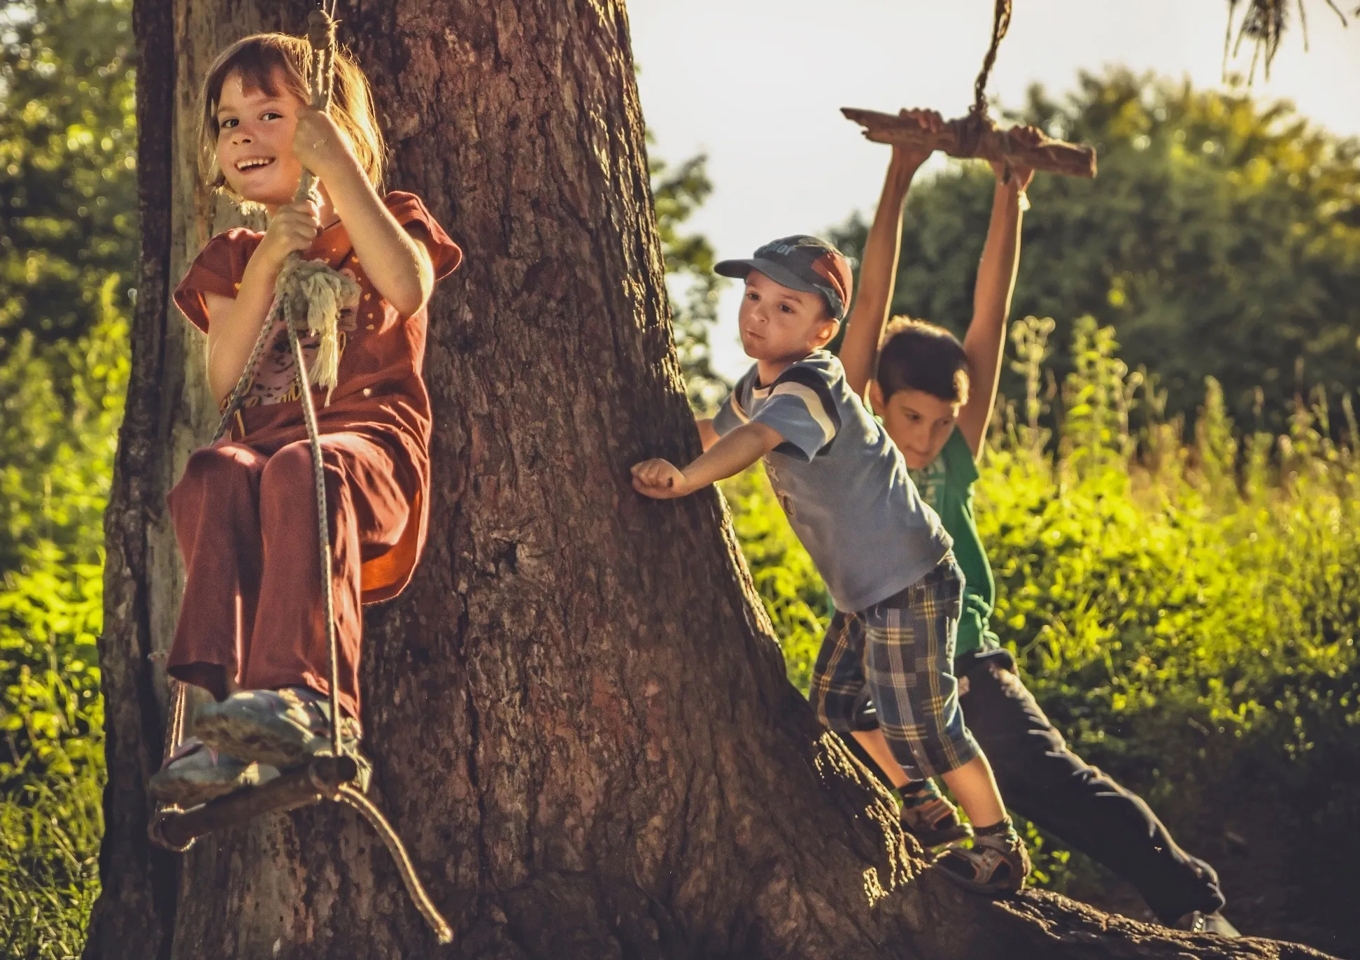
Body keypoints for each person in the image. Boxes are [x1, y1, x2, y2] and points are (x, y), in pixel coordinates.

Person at [837, 113, 1237, 936]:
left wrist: (1009, 194)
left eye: (942, 421)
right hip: (877, 679)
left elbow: (992, 317)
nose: (923, 440)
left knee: (1054, 782)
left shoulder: (951, 457)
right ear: (879, 402)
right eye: (911, 418)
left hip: (968, 666)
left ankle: (1194, 904)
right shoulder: (860, 449)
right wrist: (900, 172)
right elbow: (869, 303)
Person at [631, 232, 1030, 893]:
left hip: (907, 580)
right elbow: (717, 430)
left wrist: (687, 480)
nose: (758, 313)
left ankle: (999, 845)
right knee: (839, 705)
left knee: (924, 723)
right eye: (754, 296)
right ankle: (926, 808)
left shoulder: (812, 384)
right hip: (865, 591)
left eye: (786, 308)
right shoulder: (759, 386)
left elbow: (754, 442)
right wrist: (659, 452)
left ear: (823, 331)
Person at [149, 33, 462, 807]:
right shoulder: (231, 255)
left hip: (364, 454)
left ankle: (311, 701)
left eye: (269, 113)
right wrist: (265, 266)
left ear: (326, 127)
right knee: (215, 469)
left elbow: (407, 285)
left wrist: (339, 172)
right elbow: (227, 384)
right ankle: (221, 718)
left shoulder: (384, 218)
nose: (245, 135)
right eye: (228, 123)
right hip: (262, 466)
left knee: (299, 468)